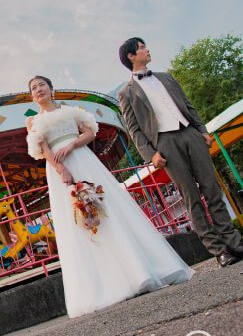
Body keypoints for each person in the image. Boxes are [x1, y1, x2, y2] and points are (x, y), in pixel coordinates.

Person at [26, 75, 193, 318]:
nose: (38, 89)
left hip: (84, 160)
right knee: (83, 221)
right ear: (32, 96)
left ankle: (140, 271)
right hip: (61, 170)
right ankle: (106, 285)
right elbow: (43, 148)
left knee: (110, 212)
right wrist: (62, 168)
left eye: (42, 85)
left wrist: (71, 146)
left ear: (52, 89)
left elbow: (89, 133)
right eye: (34, 88)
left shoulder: (71, 111)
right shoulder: (33, 121)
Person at [117, 37, 243, 267]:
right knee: (191, 198)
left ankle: (235, 242)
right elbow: (133, 129)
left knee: (212, 188)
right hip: (165, 143)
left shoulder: (166, 77)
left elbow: (187, 104)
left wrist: (202, 130)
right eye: (142, 47)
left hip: (190, 134)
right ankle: (218, 251)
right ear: (131, 56)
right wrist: (150, 154)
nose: (147, 49)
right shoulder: (126, 93)